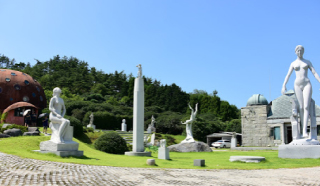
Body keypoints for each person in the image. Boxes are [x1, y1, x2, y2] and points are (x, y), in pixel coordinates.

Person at [282, 45, 320, 137]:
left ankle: (304, 130)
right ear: (295, 52)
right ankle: (303, 129)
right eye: (298, 51)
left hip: (307, 84)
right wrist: (284, 85)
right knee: (301, 107)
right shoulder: (293, 63)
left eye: (301, 50)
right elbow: (288, 75)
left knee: (307, 106)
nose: (299, 52)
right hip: (297, 85)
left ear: (303, 51)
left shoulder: (307, 62)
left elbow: (314, 72)